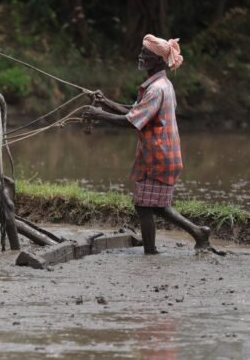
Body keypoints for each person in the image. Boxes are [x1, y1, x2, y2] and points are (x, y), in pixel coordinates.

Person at [83, 34, 223, 255]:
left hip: (158, 156)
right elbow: (136, 111)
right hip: (162, 155)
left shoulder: (157, 88)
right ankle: (198, 233)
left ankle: (151, 252)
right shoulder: (160, 85)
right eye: (141, 53)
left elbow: (132, 121)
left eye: (145, 54)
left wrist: (98, 114)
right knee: (156, 205)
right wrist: (106, 102)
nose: (140, 57)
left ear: (157, 61)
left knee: (144, 206)